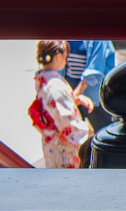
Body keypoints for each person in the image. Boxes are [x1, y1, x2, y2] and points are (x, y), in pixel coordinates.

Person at [30, 40, 91, 168]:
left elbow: (54, 109)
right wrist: (88, 132)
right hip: (64, 150)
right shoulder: (55, 86)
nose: (66, 59)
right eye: (65, 55)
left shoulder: (43, 80)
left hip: (52, 145)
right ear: (58, 56)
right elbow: (67, 124)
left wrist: (73, 101)